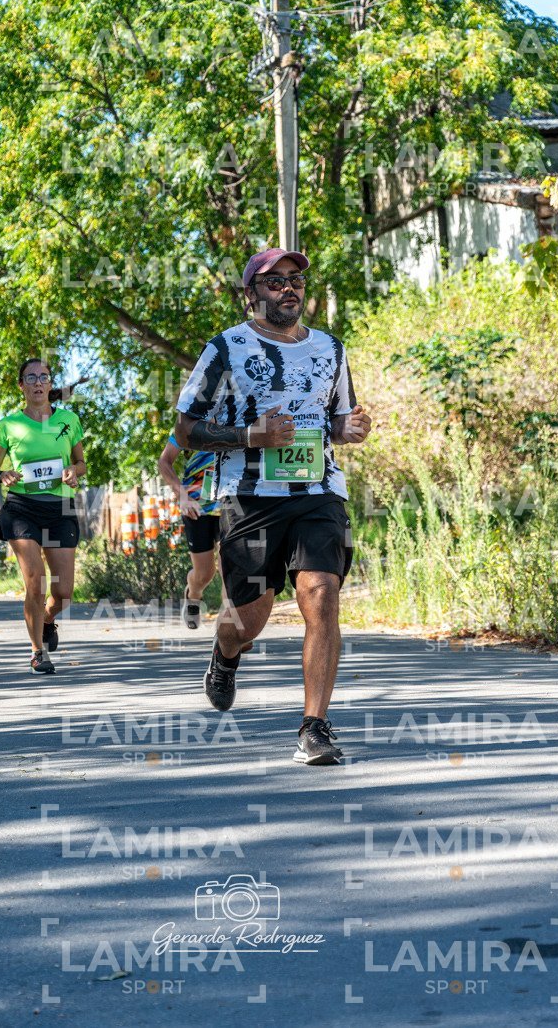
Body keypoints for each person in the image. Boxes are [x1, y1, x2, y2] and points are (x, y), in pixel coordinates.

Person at [175, 249, 372, 766]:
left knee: (321, 594)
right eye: (275, 281)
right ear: (253, 294)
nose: (289, 288)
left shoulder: (330, 348)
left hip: (318, 492)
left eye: (296, 279)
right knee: (248, 617)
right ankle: (225, 655)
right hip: (250, 496)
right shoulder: (226, 349)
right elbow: (186, 429)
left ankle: (315, 726)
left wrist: (346, 430)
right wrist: (251, 435)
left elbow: (336, 418)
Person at [0, 358, 86, 675]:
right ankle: (37, 652)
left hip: (59, 510)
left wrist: (73, 471)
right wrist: (2, 475)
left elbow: (81, 463)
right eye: (31, 377)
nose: (38, 382)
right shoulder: (8, 425)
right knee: (35, 583)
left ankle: (48, 621)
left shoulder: (68, 420)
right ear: (22, 385)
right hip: (22, 508)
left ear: (51, 384)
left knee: (63, 593)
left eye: (44, 376)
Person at [157, 436, 219, 629]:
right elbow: (164, 461)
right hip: (196, 507)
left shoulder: (237, 416)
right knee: (205, 573)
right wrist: (182, 496)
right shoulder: (188, 423)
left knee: (231, 569)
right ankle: (193, 595)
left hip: (231, 506)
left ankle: (229, 630)